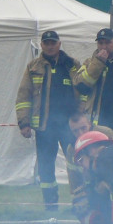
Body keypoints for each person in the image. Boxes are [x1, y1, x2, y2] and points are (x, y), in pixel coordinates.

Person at [16, 30, 81, 211]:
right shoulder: (33, 67)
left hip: (71, 126)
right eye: (47, 43)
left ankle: (80, 202)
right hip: (45, 127)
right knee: (45, 167)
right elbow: (23, 96)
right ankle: (51, 204)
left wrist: (82, 119)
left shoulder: (72, 65)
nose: (50, 46)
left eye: (53, 43)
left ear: (59, 44)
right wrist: (24, 123)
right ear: (42, 45)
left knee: (76, 165)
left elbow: (84, 93)